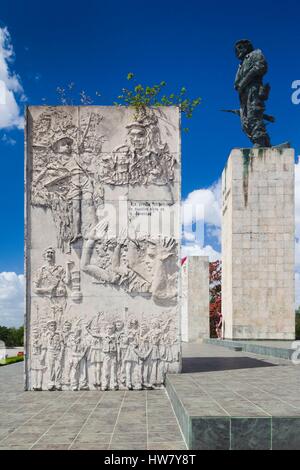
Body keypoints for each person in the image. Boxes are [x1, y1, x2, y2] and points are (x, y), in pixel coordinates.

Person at [234, 39, 272, 147]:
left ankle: (259, 141)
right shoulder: (240, 65)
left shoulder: (256, 53)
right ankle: (266, 142)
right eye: (236, 50)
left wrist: (245, 80)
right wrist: (239, 85)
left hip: (253, 89)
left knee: (253, 116)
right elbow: (236, 83)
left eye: (240, 48)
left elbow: (261, 66)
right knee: (245, 123)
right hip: (243, 95)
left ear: (247, 47)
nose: (238, 52)